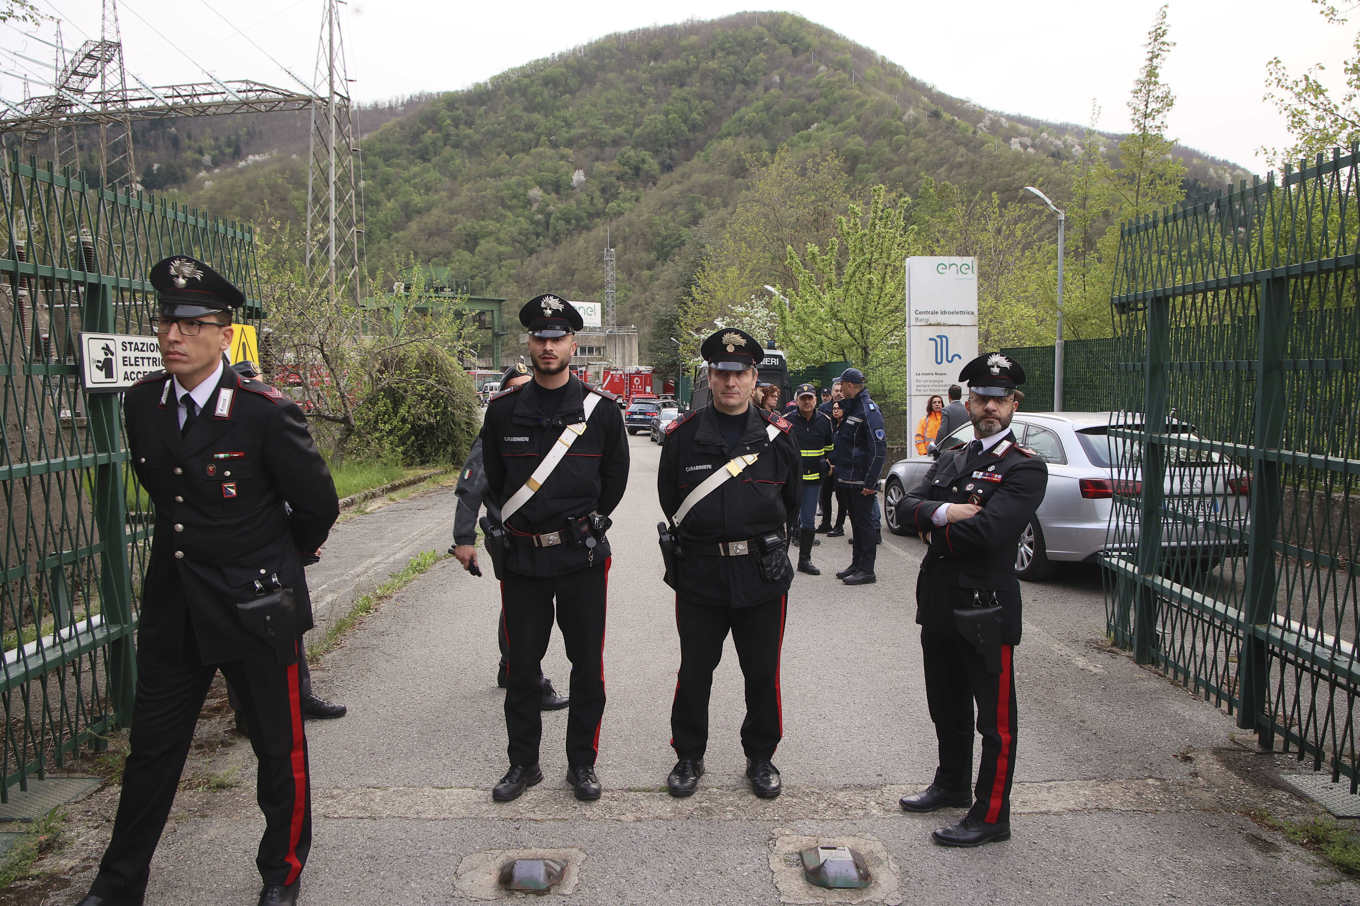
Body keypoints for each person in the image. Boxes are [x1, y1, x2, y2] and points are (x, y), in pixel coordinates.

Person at [78, 257, 339, 906]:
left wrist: (279, 558)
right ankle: (118, 886)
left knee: (278, 750)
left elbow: (317, 507)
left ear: (225, 335)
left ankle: (282, 870)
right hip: (175, 608)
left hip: (254, 607)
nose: (174, 334)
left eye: (192, 323)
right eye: (167, 320)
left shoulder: (264, 413)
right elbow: (166, 496)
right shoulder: (142, 403)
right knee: (151, 755)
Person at [479, 293, 629, 803]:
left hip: (581, 559)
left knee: (586, 665)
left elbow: (614, 481)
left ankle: (581, 764)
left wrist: (579, 525)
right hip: (523, 559)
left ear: (573, 343)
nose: (548, 346)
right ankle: (523, 765)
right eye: (540, 338)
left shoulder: (601, 412)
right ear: (530, 344)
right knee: (522, 668)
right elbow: (495, 484)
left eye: (558, 338)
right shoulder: (502, 412)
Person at [895, 352, 1047, 848]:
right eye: (981, 397)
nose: (989, 407)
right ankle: (952, 783)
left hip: (986, 608)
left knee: (996, 721)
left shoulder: (1025, 469)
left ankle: (991, 815)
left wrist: (934, 524)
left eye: (999, 400)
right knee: (946, 704)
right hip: (939, 602)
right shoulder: (955, 456)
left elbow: (990, 533)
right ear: (969, 400)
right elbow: (905, 507)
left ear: (1013, 405)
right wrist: (945, 512)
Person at [657, 328, 799, 800]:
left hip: (761, 575)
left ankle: (761, 758)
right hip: (701, 575)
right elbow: (669, 500)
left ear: (754, 377)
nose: (730, 381)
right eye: (721, 372)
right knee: (695, 670)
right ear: (710, 376)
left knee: (762, 672)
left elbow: (792, 503)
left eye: (740, 373)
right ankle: (688, 755)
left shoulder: (778, 439)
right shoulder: (683, 438)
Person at [223, 360, 345, 731]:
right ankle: (248, 715)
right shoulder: (236, 427)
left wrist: (300, 545)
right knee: (241, 639)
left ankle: (300, 697)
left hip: (277, 552)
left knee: (285, 629)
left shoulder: (271, 422)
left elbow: (303, 494)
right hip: (240, 556)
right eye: (256, 384)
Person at [449, 361, 568, 711]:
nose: (519, 394)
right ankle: (527, 678)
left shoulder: (544, 426)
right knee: (525, 609)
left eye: (524, 387)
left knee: (520, 605)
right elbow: (470, 487)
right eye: (512, 388)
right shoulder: (496, 430)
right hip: (510, 536)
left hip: (546, 535)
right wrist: (463, 539)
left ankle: (510, 668)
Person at [830, 368, 886, 585]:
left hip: (861, 480)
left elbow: (878, 448)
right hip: (848, 478)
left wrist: (871, 482)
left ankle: (867, 569)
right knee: (856, 524)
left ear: (850, 385)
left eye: (841, 384)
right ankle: (856, 564)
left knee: (865, 525)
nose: (839, 389)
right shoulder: (852, 407)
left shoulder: (868, 410)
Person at [787, 382, 834, 575]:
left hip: (813, 482)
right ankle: (780, 561)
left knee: (808, 521)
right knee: (786, 521)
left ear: (815, 400)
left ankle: (804, 561)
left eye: (810, 398)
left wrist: (828, 465)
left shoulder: (824, 421)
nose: (807, 402)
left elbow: (830, 449)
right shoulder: (786, 421)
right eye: (803, 399)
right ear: (797, 401)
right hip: (791, 481)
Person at [815, 381, 847, 535]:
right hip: (827, 461)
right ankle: (825, 523)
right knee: (824, 494)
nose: (839, 393)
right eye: (836, 390)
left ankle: (839, 525)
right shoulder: (824, 412)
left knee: (841, 496)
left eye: (841, 390)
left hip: (841, 464)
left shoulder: (848, 417)